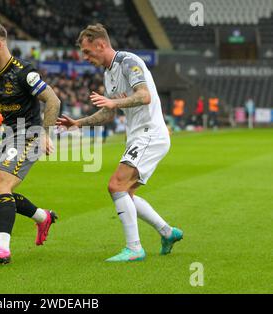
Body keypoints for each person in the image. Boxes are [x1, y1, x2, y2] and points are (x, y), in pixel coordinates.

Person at [57, 24, 183, 262]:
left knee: (116, 185)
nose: (85, 57)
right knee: (127, 194)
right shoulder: (108, 74)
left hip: (150, 133)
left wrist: (114, 103)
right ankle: (168, 232)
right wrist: (78, 123)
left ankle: (134, 248)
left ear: (101, 44)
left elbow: (144, 96)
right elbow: (108, 114)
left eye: (87, 51)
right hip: (138, 135)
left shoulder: (128, 62)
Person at [0, 22, 61, 264]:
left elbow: (53, 101)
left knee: (1, 184)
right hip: (8, 137)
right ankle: (44, 218)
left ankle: (2, 246)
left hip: (29, 134)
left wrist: (45, 133)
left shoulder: (24, 73)